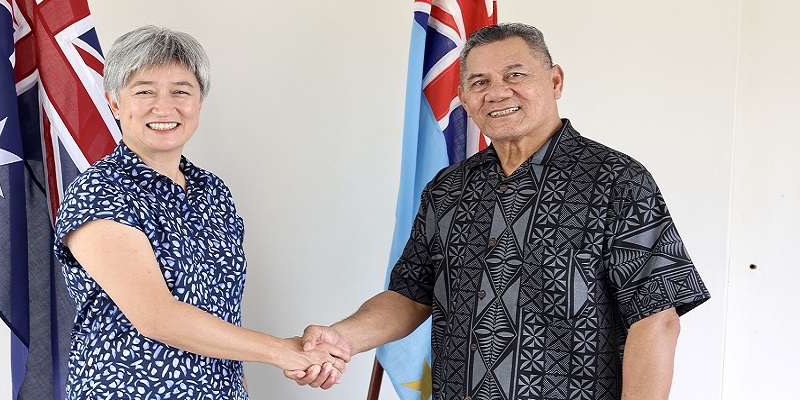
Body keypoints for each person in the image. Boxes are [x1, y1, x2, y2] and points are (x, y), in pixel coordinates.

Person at [290, 22, 711, 399]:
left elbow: (656, 319)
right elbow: (409, 295)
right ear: (463, 99)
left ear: (555, 80)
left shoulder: (616, 180)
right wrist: (341, 338)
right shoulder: (448, 188)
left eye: (515, 75)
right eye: (479, 82)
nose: (497, 92)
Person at [54, 26, 345, 400]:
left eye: (181, 91)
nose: (164, 107)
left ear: (199, 102)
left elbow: (223, 311)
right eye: (144, 91)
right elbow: (157, 316)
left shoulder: (213, 191)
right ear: (114, 102)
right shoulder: (98, 191)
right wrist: (281, 351)